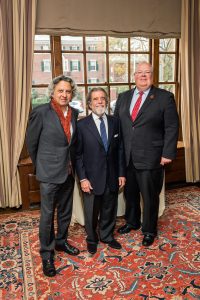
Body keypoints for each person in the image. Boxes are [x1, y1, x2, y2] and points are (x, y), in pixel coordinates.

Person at [114, 61, 179, 246]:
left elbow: (172, 126)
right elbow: (118, 125)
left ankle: (149, 230)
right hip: (127, 157)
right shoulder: (123, 97)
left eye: (147, 72)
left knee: (150, 196)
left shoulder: (164, 97)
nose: (143, 75)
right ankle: (132, 222)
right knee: (130, 193)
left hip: (152, 156)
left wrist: (167, 153)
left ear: (152, 75)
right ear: (134, 75)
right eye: (139, 72)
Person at [26, 75, 80, 277]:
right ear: (53, 92)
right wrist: (42, 165)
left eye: (68, 91)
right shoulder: (40, 113)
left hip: (68, 171)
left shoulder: (74, 113)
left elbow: (71, 144)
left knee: (65, 211)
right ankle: (46, 254)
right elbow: (32, 144)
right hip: (49, 173)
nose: (64, 94)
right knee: (47, 215)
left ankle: (61, 241)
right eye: (61, 91)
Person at [76, 87, 126, 255]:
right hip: (91, 178)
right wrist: (83, 178)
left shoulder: (115, 122)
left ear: (106, 101)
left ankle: (107, 235)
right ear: (89, 104)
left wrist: (121, 173)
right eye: (95, 99)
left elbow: (120, 150)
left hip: (112, 175)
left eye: (102, 98)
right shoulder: (81, 125)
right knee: (91, 211)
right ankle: (92, 239)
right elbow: (77, 155)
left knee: (109, 208)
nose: (100, 101)